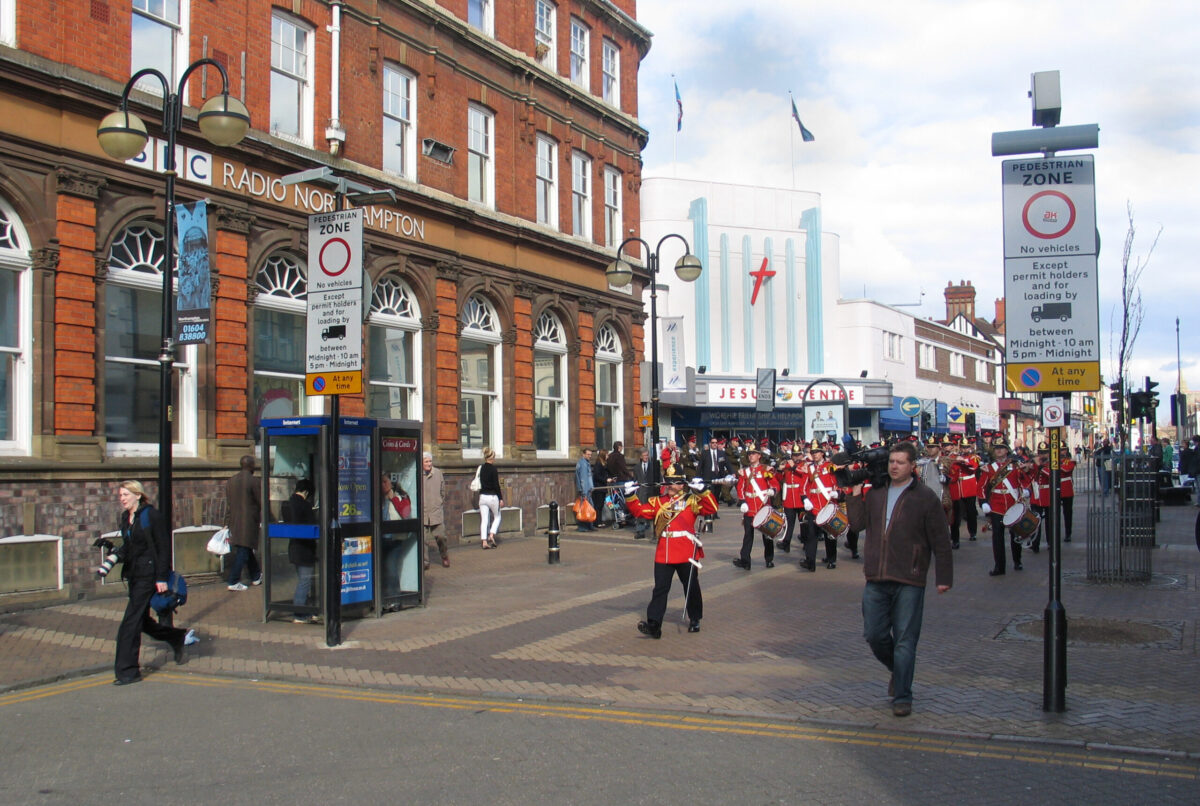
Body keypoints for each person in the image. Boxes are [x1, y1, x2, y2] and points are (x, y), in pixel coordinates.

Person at [846, 441, 953, 717]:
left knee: (905, 640)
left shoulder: (925, 497)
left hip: (909, 578)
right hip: (876, 577)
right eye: (891, 461)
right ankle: (899, 670)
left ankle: (903, 695)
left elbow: (941, 540)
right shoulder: (876, 492)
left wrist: (944, 577)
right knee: (874, 634)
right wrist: (855, 493)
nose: (894, 466)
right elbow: (857, 525)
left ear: (912, 466)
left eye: (900, 462)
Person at [108, 480, 190, 685]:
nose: (122, 499)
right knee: (142, 621)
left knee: (130, 624)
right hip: (134, 576)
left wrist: (161, 577)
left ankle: (128, 672)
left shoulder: (151, 515)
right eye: (120, 495)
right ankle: (175, 637)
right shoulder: (126, 518)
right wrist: (113, 552)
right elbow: (130, 548)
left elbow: (163, 547)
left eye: (126, 494)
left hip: (149, 576)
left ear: (138, 495)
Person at [625, 470, 717, 637]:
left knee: (691, 586)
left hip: (685, 550)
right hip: (665, 551)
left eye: (674, 482)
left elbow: (711, 508)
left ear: (682, 485)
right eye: (668, 481)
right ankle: (654, 624)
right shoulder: (659, 501)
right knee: (660, 589)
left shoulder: (691, 500)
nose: (670, 485)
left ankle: (695, 618)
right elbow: (640, 511)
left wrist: (703, 491)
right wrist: (630, 495)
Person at [977, 441, 1031, 576]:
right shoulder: (989, 468)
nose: (999, 451)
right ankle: (999, 566)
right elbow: (981, 487)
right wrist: (983, 502)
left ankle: (1017, 561)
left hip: (1013, 504)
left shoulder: (1015, 466)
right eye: (996, 449)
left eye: (1002, 448)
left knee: (1016, 535)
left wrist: (1026, 490)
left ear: (1007, 451)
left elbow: (1024, 480)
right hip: (996, 505)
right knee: (997, 537)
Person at [733, 444, 779, 569]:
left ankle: (769, 559)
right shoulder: (745, 471)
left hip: (763, 506)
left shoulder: (766, 469)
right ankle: (745, 561)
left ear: (759, 455)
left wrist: (773, 490)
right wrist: (742, 501)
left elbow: (774, 484)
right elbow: (740, 487)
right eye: (749, 454)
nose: (751, 456)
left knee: (767, 535)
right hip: (749, 507)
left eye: (753, 454)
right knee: (748, 535)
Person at [281, 478, 318, 624]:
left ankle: (306, 610)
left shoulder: (287, 504)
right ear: (307, 492)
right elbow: (312, 526)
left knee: (303, 579)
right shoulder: (305, 505)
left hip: (294, 547)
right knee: (305, 581)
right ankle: (299, 613)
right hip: (305, 548)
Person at [225, 454, 262, 591]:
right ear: (251, 466)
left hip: (235, 521)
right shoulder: (254, 481)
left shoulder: (231, 481)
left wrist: (226, 522)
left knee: (245, 548)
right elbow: (261, 501)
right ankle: (233, 580)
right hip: (249, 522)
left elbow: (229, 504)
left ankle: (256, 576)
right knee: (243, 550)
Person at [422, 452, 450, 568]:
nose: (429, 464)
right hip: (423, 512)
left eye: (430, 461)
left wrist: (439, 502)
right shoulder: (418, 474)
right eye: (426, 461)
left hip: (436, 511)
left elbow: (443, 492)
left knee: (441, 537)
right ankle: (425, 562)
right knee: (423, 540)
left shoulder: (438, 473)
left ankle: (444, 556)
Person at [477, 447, 503, 549]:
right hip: (492, 496)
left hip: (482, 497)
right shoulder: (493, 469)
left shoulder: (481, 468)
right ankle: (491, 535)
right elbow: (496, 485)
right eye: (494, 457)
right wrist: (500, 498)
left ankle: (484, 542)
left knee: (484, 520)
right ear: (492, 458)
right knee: (497, 517)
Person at [631, 448, 656, 540]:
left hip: (651, 492)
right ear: (641, 457)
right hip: (641, 493)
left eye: (647, 455)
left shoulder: (653, 466)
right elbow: (635, 480)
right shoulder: (636, 467)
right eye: (644, 455)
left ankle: (654, 532)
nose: (646, 457)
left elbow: (658, 478)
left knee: (652, 512)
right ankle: (640, 531)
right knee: (641, 512)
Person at [575, 447, 596, 532]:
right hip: (585, 490)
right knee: (584, 508)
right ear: (583, 454)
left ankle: (589, 525)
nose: (589, 456)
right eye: (588, 454)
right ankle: (584, 526)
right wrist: (584, 492)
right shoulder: (583, 464)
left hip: (587, 489)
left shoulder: (585, 463)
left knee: (588, 507)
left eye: (590, 455)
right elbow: (583, 479)